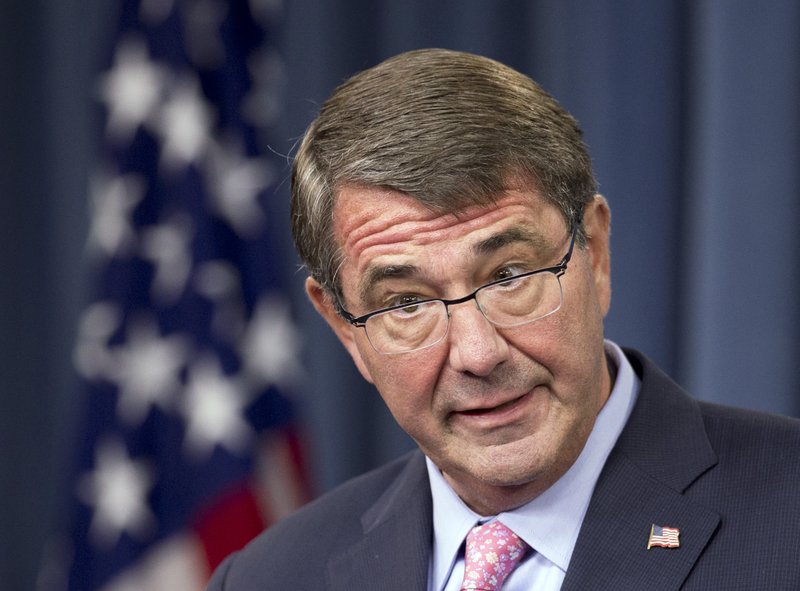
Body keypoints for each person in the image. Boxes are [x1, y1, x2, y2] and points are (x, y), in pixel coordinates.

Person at [207, 49, 800, 590]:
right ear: (344, 328)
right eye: (407, 304)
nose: (477, 353)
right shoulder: (268, 578)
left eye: (509, 276)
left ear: (593, 253)